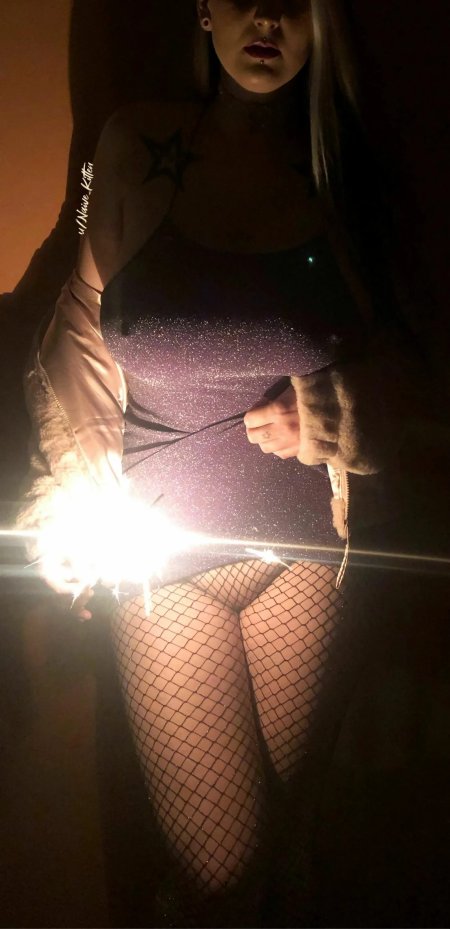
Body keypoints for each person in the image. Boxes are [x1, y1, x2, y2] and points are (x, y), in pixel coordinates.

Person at [17, 1, 427, 925]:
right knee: (221, 866)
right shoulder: (132, 148)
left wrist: (338, 411)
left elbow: (409, 358)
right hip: (169, 559)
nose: (267, 14)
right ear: (204, 8)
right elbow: (78, 318)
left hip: (305, 555)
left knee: (278, 852)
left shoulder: (343, 174)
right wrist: (69, 493)